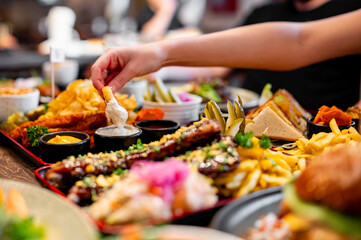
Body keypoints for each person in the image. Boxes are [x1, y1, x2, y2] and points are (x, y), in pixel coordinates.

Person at [91, 8, 361, 106]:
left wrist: (160, 53)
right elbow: (223, 61)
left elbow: (300, 41)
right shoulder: (262, 13)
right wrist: (157, 59)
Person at [239, 0, 361, 110]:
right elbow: (221, 69)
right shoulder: (262, 13)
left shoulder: (352, 9)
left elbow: (302, 39)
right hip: (245, 119)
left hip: (319, 126)